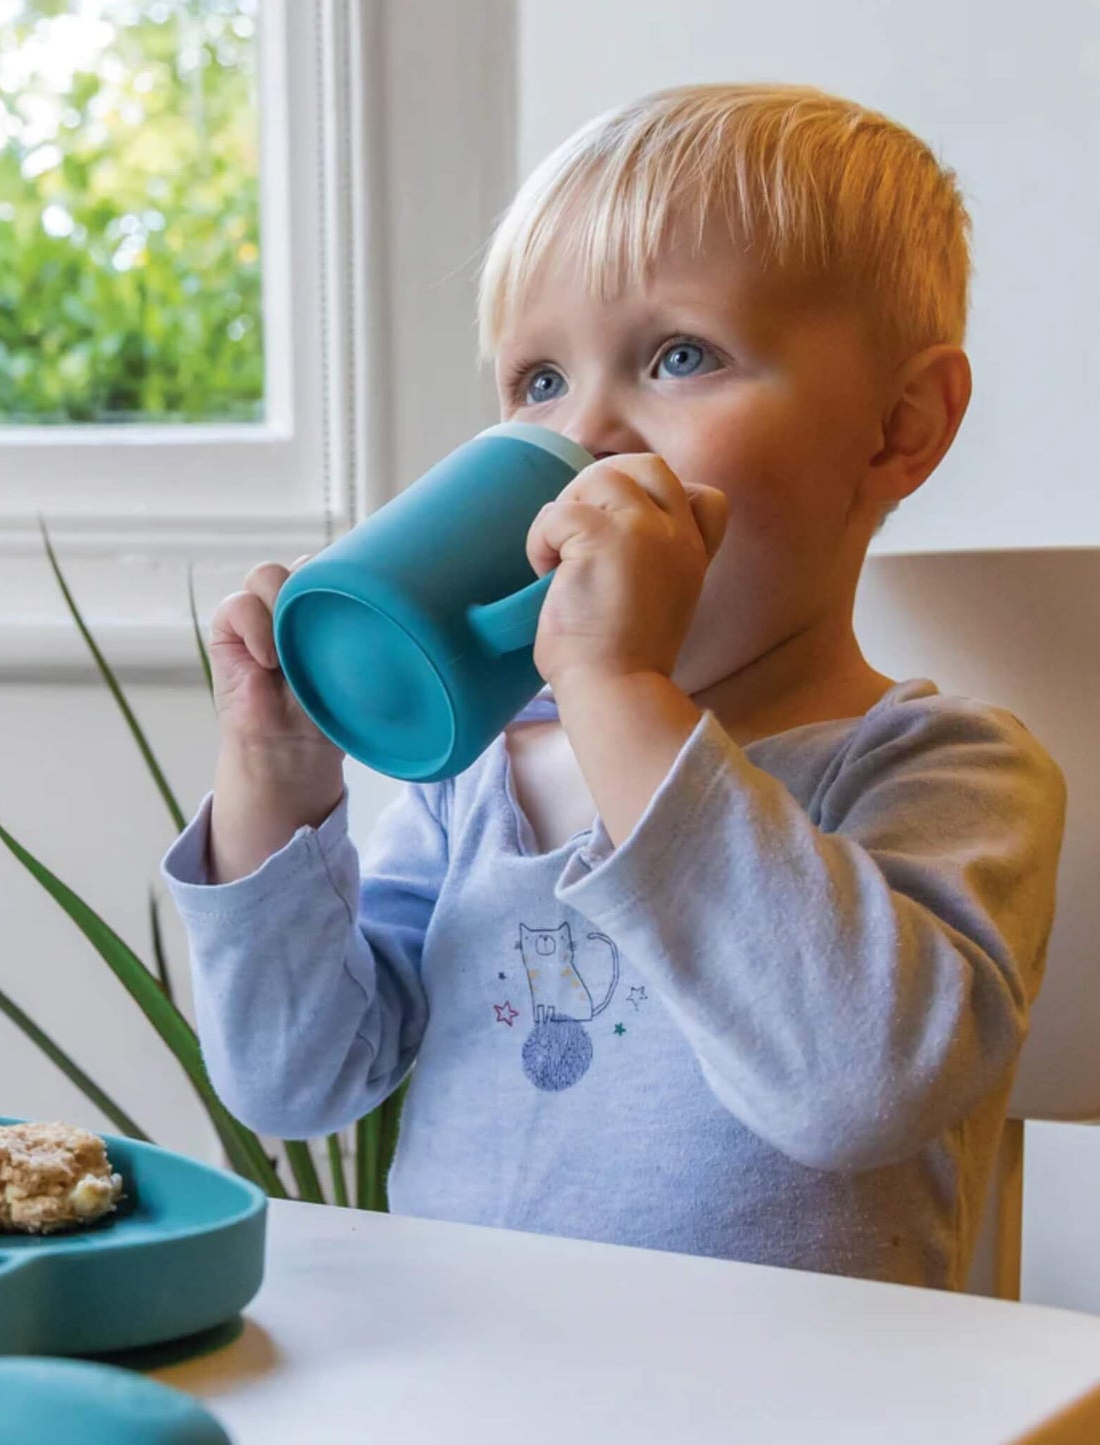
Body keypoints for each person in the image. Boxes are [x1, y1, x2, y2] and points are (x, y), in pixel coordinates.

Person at [161, 82, 1067, 1288]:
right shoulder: (478, 776)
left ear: (896, 428)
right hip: (482, 1387)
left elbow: (854, 1091)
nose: (581, 436)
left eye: (677, 355)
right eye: (537, 382)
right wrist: (277, 776)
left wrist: (617, 688)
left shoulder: (942, 771)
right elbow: (298, 1078)